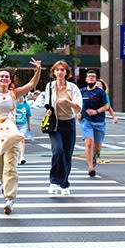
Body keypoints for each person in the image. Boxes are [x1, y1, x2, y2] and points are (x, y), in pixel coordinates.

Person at [0, 48, 42, 214]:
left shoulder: (14, 94)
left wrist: (38, 70)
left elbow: (32, 84)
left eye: (7, 76)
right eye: (1, 76)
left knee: (11, 166)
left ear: (10, 80)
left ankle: (10, 199)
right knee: (0, 166)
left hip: (10, 132)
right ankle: (4, 184)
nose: (4, 78)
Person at [38, 59, 82, 195]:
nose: (60, 72)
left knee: (67, 155)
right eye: (57, 70)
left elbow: (78, 106)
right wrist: (48, 110)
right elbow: (47, 104)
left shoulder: (73, 88)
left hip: (68, 123)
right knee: (58, 151)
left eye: (62, 70)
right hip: (55, 123)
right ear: (54, 72)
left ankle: (64, 183)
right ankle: (54, 181)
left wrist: (67, 101)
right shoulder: (49, 86)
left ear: (66, 72)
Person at [79, 69, 110, 177]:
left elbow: (107, 106)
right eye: (89, 76)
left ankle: (95, 156)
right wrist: (78, 113)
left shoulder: (101, 92)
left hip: (99, 122)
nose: (91, 78)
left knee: (97, 148)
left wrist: (96, 111)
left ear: (96, 79)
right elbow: (77, 105)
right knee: (88, 142)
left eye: (93, 76)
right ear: (86, 79)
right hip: (86, 121)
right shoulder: (81, 91)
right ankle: (90, 167)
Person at [14, 92, 32, 165]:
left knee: (22, 139)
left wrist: (29, 126)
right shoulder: (14, 104)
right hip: (14, 124)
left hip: (23, 125)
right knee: (15, 141)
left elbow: (28, 116)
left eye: (22, 95)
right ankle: (15, 156)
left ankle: (21, 157)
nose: (20, 97)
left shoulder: (26, 105)